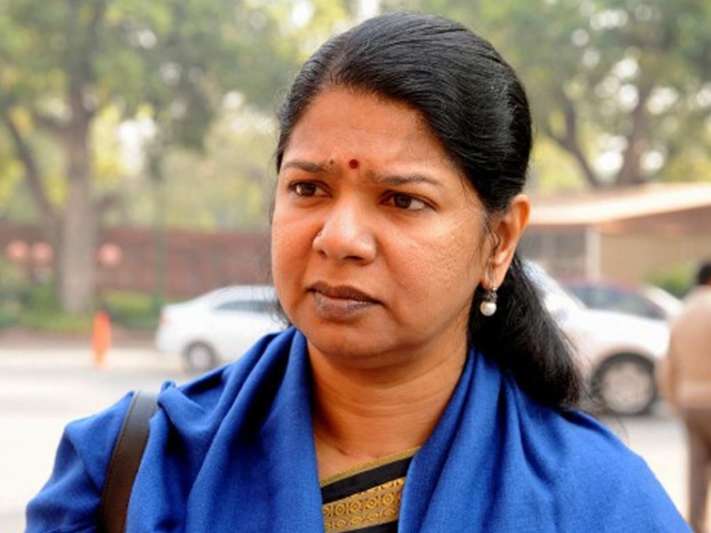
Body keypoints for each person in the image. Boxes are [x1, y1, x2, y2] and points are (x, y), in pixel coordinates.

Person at [27, 13, 688, 532]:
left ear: (499, 241)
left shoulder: (600, 502)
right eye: (308, 188)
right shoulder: (134, 466)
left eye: (402, 200)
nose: (339, 237)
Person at [658, 261, 711, 532]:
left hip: (689, 400)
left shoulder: (682, 312)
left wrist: (673, 400)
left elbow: (668, 365)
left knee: (696, 471)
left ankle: (696, 526)